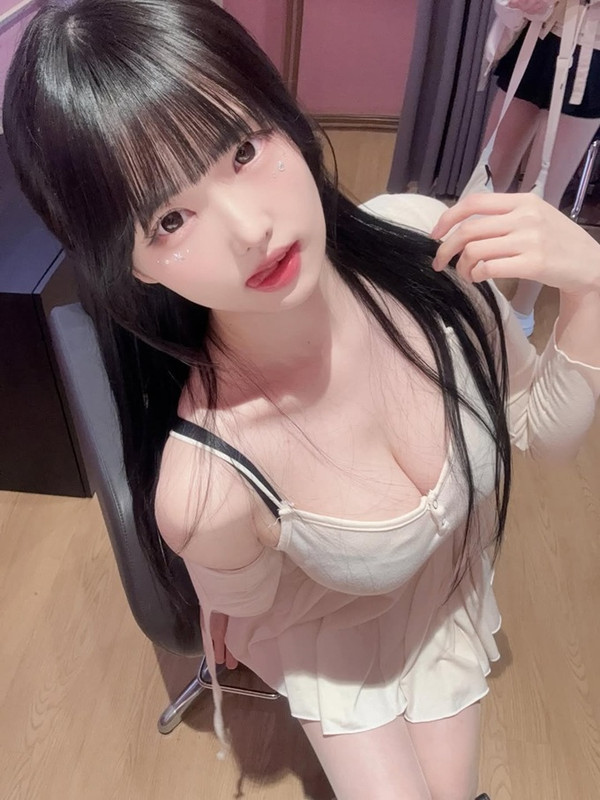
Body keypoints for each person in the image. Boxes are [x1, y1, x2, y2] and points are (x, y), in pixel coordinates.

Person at [4, 1, 600, 798]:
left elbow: (541, 431)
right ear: (133, 266)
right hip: (330, 632)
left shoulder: (426, 246)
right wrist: (224, 579)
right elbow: (256, 619)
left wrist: (592, 289)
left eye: (244, 149)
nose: (250, 228)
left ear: (285, 117)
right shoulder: (207, 484)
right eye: (171, 218)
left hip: (449, 587)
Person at [481, 0, 600, 336]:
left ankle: (522, 310)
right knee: (490, 171)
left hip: (592, 51)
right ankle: (467, 282)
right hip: (538, 35)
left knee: (543, 190)